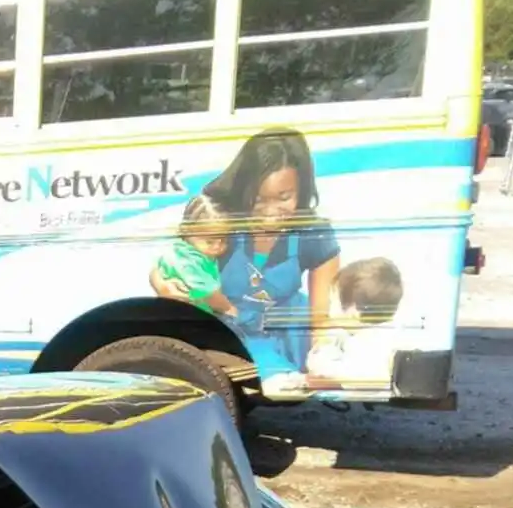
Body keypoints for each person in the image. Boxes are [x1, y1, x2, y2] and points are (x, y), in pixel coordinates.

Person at [153, 128, 340, 371]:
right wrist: (162, 285)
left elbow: (319, 317)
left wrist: (321, 354)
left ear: (302, 190)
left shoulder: (315, 235)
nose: (271, 211)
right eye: (259, 199)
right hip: (230, 334)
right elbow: (170, 263)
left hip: (285, 335)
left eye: (284, 197)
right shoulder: (220, 218)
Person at [304, 257, 404, 384]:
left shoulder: (363, 347)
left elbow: (322, 370)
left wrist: (322, 346)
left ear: (354, 311)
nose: (328, 305)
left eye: (333, 300)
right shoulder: (389, 334)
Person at [151, 193, 238, 318]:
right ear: (186, 232)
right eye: (210, 241)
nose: (217, 246)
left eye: (224, 240)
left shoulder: (181, 249)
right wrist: (229, 309)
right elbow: (210, 295)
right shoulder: (188, 259)